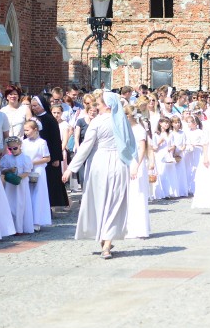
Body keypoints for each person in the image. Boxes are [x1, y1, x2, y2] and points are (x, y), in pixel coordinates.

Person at [62, 92, 136, 260]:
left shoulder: (97, 122)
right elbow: (131, 146)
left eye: (99, 104)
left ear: (107, 105)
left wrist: (71, 168)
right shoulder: (122, 121)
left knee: (99, 201)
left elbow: (86, 147)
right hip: (119, 164)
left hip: (99, 163)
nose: (97, 106)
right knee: (114, 203)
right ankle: (107, 242)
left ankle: (106, 242)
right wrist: (133, 165)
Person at [30, 95, 69, 210]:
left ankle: (49, 207)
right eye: (32, 106)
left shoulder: (50, 119)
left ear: (42, 106)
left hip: (50, 156)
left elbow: (56, 140)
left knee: (50, 182)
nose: (34, 108)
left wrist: (57, 158)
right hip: (36, 155)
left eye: (36, 106)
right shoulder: (33, 119)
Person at [125, 105, 152, 239]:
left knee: (138, 195)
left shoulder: (139, 129)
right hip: (128, 163)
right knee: (129, 196)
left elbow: (142, 149)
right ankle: (129, 227)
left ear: (129, 116)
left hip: (137, 164)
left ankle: (139, 228)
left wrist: (137, 165)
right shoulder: (127, 129)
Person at [0, 136, 34, 234]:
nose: (13, 150)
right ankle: (10, 228)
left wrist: (18, 176)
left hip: (21, 185)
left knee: (20, 205)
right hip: (10, 185)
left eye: (15, 148)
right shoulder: (6, 158)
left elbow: (27, 172)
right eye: (10, 149)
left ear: (20, 146)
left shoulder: (25, 158)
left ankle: (20, 228)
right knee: (10, 205)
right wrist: (10, 171)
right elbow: (3, 169)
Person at [22, 120, 52, 231]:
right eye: (24, 130)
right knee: (28, 194)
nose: (26, 132)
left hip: (38, 170)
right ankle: (28, 219)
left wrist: (33, 162)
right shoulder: (24, 142)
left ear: (35, 130)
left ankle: (38, 219)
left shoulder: (42, 142)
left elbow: (47, 158)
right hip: (27, 170)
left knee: (38, 194)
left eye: (27, 130)